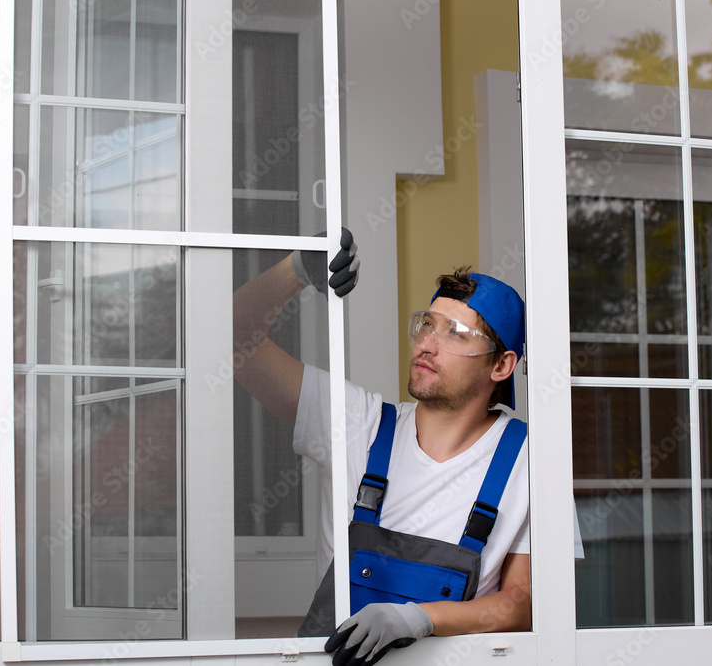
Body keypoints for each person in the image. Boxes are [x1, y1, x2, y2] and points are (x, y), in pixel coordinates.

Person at [233, 231, 580, 666]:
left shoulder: (531, 460)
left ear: (502, 364)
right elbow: (230, 341)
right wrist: (295, 270)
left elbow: (521, 603)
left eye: (455, 333)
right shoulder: (355, 423)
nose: (427, 345)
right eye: (427, 325)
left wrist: (417, 618)